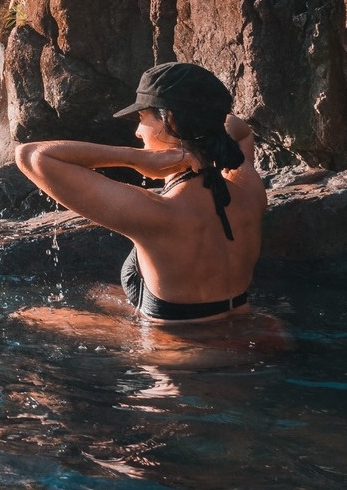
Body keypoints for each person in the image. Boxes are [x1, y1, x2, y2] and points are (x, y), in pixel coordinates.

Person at [14, 61, 266, 329]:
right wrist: (199, 132)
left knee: (27, 315)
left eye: (141, 117)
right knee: (97, 292)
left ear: (168, 118)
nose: (137, 132)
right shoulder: (249, 188)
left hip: (177, 352)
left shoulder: (158, 213)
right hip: (245, 328)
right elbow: (240, 130)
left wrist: (137, 159)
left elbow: (30, 155)